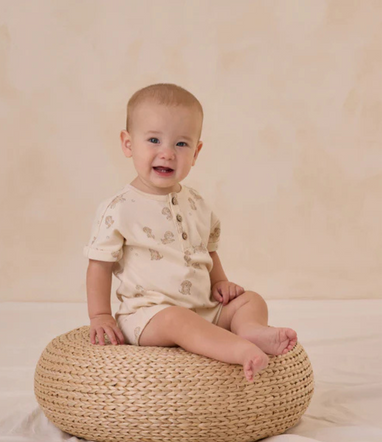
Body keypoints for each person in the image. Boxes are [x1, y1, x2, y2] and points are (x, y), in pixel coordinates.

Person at [84, 83, 297, 382]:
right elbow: (99, 265)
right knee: (177, 319)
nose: (167, 153)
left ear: (196, 152)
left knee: (252, 300)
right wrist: (100, 315)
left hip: (203, 308)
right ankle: (238, 350)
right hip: (150, 316)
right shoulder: (119, 208)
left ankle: (250, 329)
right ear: (128, 144)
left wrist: (220, 282)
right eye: (154, 140)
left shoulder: (196, 202)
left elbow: (207, 249)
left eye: (181, 144)